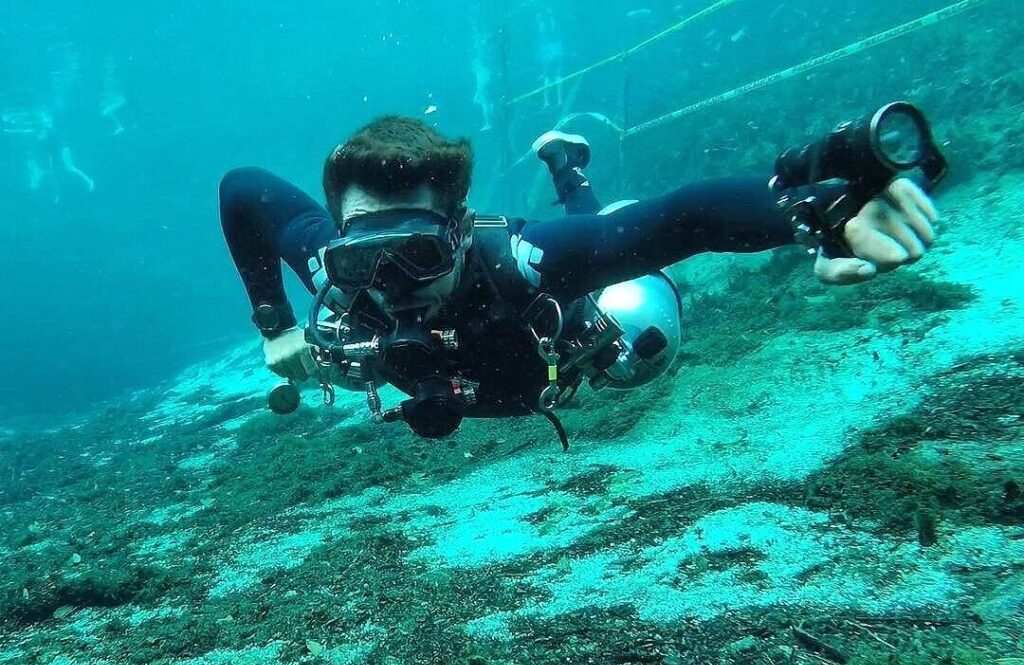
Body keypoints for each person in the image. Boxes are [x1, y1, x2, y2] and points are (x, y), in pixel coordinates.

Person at [219, 116, 939, 441]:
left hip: (568, 332)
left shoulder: (523, 259)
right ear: (338, 242)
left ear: (460, 232)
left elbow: (686, 218)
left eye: (421, 253)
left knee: (634, 300)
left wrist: (820, 211)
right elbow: (241, 188)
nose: (393, 281)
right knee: (601, 245)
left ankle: (568, 167)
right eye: (364, 259)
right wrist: (273, 322)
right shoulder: (332, 268)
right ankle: (563, 158)